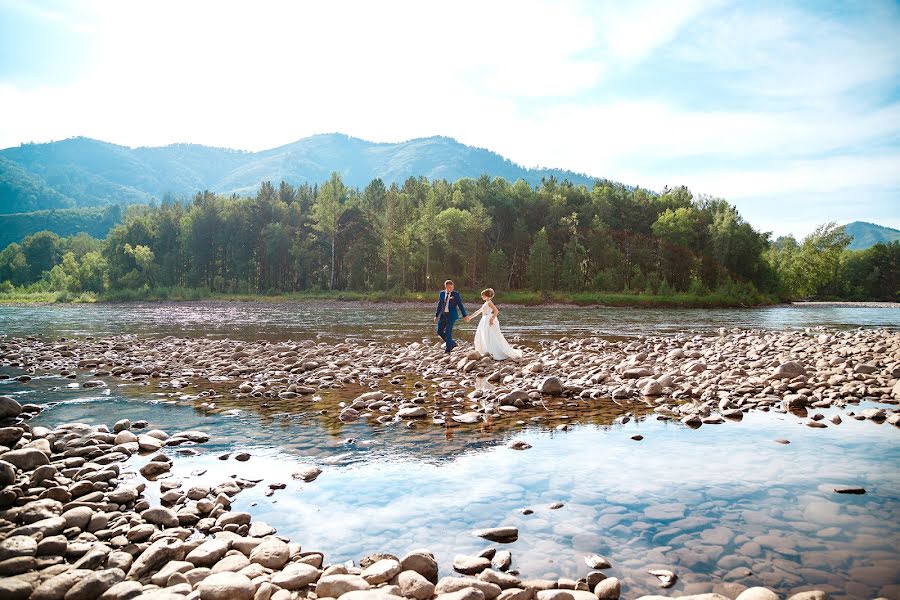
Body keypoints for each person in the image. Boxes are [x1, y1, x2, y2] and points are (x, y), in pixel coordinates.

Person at [469, 288, 522, 360]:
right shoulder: (486, 303)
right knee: (485, 335)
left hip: (488, 319)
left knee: (490, 335)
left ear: (486, 296)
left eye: (483, 295)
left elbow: (496, 311)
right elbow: (478, 311)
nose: (482, 297)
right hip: (484, 320)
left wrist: (492, 319)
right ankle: (486, 350)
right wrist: (470, 317)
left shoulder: (489, 302)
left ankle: (492, 350)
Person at [434, 279, 469, 353]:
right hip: (443, 315)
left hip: (451, 316)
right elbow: (439, 305)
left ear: (453, 287)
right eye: (448, 287)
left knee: (448, 332)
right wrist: (436, 315)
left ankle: (448, 349)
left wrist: (464, 315)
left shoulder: (456, 294)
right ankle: (452, 343)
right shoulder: (442, 293)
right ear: (445, 287)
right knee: (439, 331)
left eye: (451, 287)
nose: (450, 289)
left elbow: (460, 305)